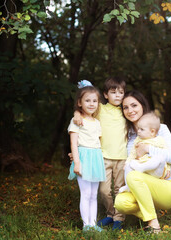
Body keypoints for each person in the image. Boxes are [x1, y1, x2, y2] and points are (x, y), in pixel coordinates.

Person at [114, 90, 171, 234]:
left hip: (167, 186)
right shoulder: (128, 136)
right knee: (120, 203)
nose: (130, 110)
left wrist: (147, 148)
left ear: (142, 106)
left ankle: (153, 224)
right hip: (140, 186)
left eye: (134, 105)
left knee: (133, 175)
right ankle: (151, 215)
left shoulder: (160, 128)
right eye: (125, 107)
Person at [72, 77, 127, 230]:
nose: (117, 95)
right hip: (102, 156)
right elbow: (86, 105)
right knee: (103, 190)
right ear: (106, 94)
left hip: (122, 157)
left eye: (121, 92)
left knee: (119, 190)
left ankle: (118, 218)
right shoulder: (100, 109)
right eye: (113, 92)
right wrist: (77, 113)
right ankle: (110, 213)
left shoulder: (125, 110)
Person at [67, 81, 105, 232]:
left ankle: (93, 224)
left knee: (94, 194)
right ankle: (86, 225)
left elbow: (98, 142)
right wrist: (76, 162)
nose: (91, 104)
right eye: (87, 100)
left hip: (95, 158)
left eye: (94, 101)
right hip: (83, 157)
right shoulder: (77, 120)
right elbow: (73, 143)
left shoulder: (96, 122)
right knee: (86, 193)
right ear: (79, 103)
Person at [119, 111, 170, 193]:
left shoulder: (159, 140)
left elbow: (166, 155)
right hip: (143, 169)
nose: (138, 131)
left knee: (160, 157)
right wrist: (127, 162)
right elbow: (132, 153)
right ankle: (128, 186)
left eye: (142, 129)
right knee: (129, 165)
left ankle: (142, 168)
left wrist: (168, 168)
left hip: (156, 171)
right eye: (138, 128)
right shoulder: (138, 140)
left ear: (152, 131)